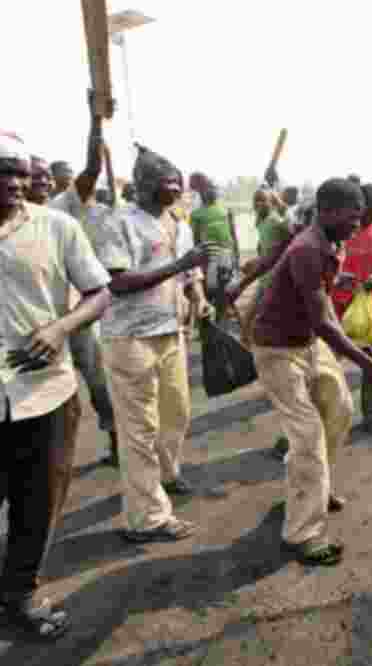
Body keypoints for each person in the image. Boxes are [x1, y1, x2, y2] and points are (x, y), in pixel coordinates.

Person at [225, 178, 372, 566]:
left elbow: (321, 306)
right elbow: (322, 321)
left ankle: (317, 487)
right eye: (353, 216)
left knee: (340, 409)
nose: (358, 223)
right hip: (277, 350)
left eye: (361, 215)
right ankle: (303, 532)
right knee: (307, 438)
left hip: (308, 343)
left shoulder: (332, 242)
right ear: (328, 211)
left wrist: (356, 347)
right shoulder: (306, 249)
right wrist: (369, 366)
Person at [0, 133, 112, 640]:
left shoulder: (57, 226)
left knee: (37, 504)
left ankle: (19, 594)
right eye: (6, 170)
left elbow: (98, 292)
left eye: (22, 171)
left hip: (45, 393)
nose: (18, 182)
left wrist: (59, 329)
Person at [94, 145, 219, 543]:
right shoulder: (119, 223)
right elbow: (118, 282)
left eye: (178, 183)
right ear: (144, 186)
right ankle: (146, 517)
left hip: (171, 332)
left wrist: (197, 295)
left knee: (176, 413)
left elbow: (190, 270)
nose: (176, 189)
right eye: (168, 183)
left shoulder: (178, 223)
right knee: (139, 430)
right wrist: (180, 267)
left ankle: (165, 475)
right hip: (130, 339)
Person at [47, 91, 120, 466]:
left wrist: (94, 121)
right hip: (31, 319)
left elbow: (91, 170)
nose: (46, 183)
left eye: (53, 179)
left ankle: (115, 435)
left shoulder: (62, 208)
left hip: (75, 312)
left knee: (96, 378)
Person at [331, 183, 372, 435]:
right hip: (338, 307)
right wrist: (338, 277)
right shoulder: (342, 230)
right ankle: (322, 420)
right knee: (326, 363)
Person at [241, 188, 294, 461]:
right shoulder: (263, 222)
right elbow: (266, 249)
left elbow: (281, 248)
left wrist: (262, 265)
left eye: (262, 199)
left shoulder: (276, 222)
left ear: (272, 203)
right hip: (265, 277)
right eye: (255, 199)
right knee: (249, 324)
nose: (258, 203)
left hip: (272, 280)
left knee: (254, 323)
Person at [189, 173, 240, 322]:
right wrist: (197, 262)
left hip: (226, 255)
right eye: (206, 189)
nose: (210, 191)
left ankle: (221, 319)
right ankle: (209, 321)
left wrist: (236, 254)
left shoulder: (225, 210)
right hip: (209, 258)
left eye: (212, 188)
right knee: (210, 289)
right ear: (201, 193)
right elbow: (195, 239)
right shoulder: (196, 214)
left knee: (224, 289)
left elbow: (232, 233)